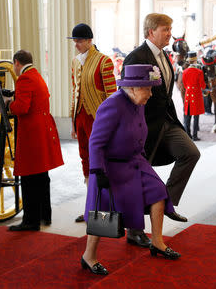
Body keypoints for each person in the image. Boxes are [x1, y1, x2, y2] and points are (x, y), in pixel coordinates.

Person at [81, 64, 181, 275]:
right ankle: (88, 257)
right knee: (103, 210)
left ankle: (157, 242)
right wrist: (98, 171)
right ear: (134, 88)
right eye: (148, 88)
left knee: (158, 192)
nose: (151, 94)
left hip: (135, 162)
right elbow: (96, 142)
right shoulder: (112, 106)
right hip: (111, 167)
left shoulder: (138, 102)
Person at [122, 13, 200, 248]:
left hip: (166, 122)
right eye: (165, 29)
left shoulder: (164, 55)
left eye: (170, 29)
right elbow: (128, 96)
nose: (170, 33)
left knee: (190, 153)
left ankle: (166, 202)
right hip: (143, 126)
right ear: (150, 32)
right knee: (138, 177)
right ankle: (134, 230)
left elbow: (165, 93)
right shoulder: (136, 57)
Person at [7, 50, 64, 231]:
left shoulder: (24, 79)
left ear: (17, 63)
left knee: (29, 178)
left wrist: (9, 104)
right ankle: (45, 216)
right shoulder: (36, 75)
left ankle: (30, 221)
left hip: (32, 133)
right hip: (43, 130)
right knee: (41, 176)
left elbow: (22, 107)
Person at [67, 23, 117, 223]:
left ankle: (105, 209)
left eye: (79, 40)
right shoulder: (75, 62)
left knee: (101, 164)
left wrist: (112, 124)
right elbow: (75, 92)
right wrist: (72, 122)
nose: (76, 44)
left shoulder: (104, 61)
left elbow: (112, 95)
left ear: (89, 40)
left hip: (98, 119)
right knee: (85, 161)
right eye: (75, 41)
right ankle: (91, 206)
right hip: (81, 118)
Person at [182, 51, 206, 141]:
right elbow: (202, 86)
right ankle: (195, 136)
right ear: (195, 61)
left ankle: (188, 135)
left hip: (188, 95)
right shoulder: (199, 72)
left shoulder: (184, 72)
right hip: (196, 95)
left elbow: (184, 85)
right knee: (196, 116)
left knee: (187, 115)